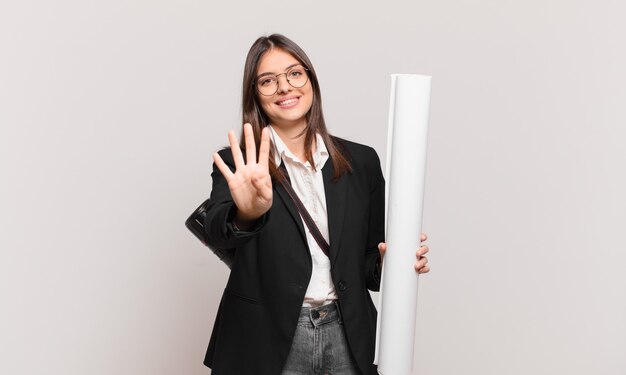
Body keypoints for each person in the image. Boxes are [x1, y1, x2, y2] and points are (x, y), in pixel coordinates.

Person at [202, 34, 430, 375]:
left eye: (295, 73)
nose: (284, 87)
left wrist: (392, 263)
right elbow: (218, 232)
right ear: (255, 94)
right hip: (268, 338)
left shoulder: (361, 162)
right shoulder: (240, 163)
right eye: (267, 81)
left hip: (347, 335)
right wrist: (247, 213)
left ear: (310, 80)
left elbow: (368, 268)